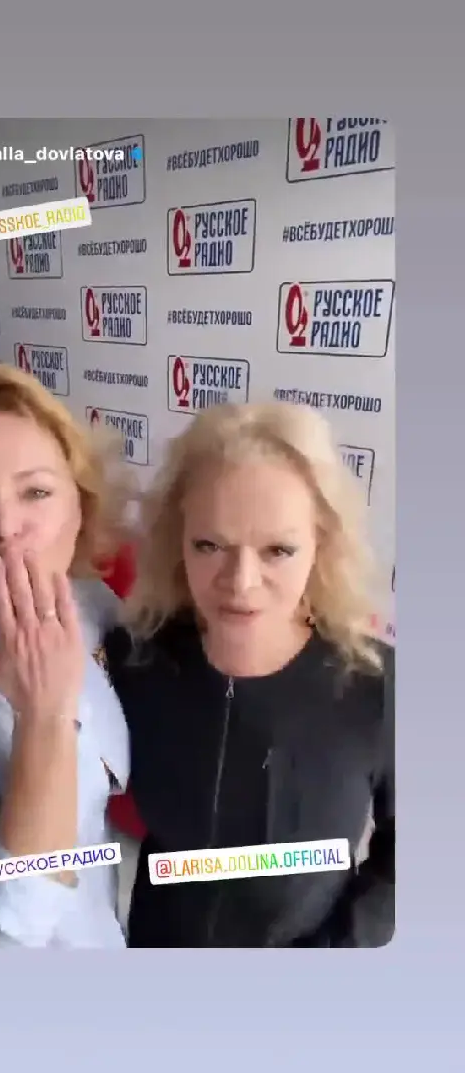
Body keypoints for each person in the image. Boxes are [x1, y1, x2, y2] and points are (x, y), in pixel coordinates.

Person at [104, 401, 395, 948]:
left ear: (322, 544)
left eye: (278, 550)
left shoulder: (378, 685)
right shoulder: (134, 659)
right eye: (210, 545)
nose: (241, 583)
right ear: (177, 539)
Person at [0, 363, 131, 947]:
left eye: (36, 492)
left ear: (80, 508)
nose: (5, 526)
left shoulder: (89, 604)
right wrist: (43, 720)